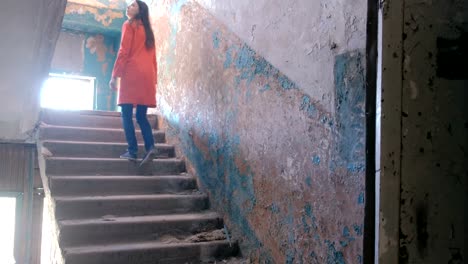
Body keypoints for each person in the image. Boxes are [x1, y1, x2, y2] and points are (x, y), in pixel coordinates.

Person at [109, 0, 157, 166]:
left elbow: (123, 50)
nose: (129, 6)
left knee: (127, 114)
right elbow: (154, 59)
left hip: (132, 74)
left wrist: (115, 75)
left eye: (133, 5)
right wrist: (154, 81)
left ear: (140, 10)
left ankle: (132, 151)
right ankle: (151, 147)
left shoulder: (129, 25)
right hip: (147, 76)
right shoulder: (149, 31)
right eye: (129, 5)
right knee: (142, 116)